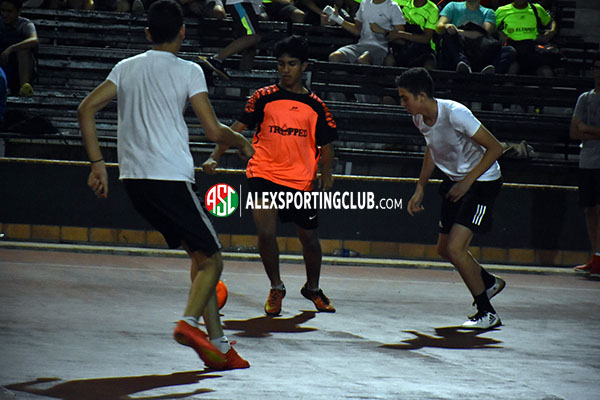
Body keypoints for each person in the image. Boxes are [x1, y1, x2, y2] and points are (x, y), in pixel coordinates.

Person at [77, 0, 253, 369]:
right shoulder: (189, 70)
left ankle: (219, 346)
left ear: (147, 34)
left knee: (200, 258)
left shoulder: (125, 67)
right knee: (214, 261)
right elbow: (212, 130)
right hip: (170, 177)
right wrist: (241, 141)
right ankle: (188, 324)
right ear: (183, 32)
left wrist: (98, 165)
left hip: (134, 181)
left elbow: (86, 109)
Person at [203, 35, 338, 316]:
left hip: (300, 181)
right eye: (281, 64)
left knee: (309, 239)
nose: (285, 69)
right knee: (265, 233)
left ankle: (312, 288)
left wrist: (326, 173)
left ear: (304, 66)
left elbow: (326, 145)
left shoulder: (316, 105)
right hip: (263, 172)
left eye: (292, 64)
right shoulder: (263, 97)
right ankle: (276, 287)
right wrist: (215, 155)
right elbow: (235, 129)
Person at [399, 67, 506, 329]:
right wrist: (420, 187)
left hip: (482, 182)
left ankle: (487, 313)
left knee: (456, 249)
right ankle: (488, 282)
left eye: (405, 98)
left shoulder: (455, 113)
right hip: (456, 181)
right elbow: (432, 148)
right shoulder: (419, 119)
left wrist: (467, 182)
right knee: (444, 249)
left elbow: (496, 148)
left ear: (421, 96)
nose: (402, 103)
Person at [570, 53, 600, 278]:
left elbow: (581, 129)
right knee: (590, 210)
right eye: (596, 67)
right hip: (587, 161)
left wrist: (587, 129)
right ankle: (595, 256)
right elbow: (574, 132)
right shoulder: (584, 98)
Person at [436, 0, 515, 74]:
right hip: (458, 49)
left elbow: (484, 33)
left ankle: (486, 75)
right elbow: (439, 27)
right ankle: (463, 65)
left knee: (509, 50)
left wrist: (458, 32)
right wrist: (447, 26)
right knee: (448, 38)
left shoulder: (488, 12)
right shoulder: (452, 6)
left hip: (479, 51)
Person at [325, 0, 406, 68]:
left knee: (363, 60)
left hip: (381, 48)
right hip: (361, 45)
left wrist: (383, 31)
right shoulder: (365, 3)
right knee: (335, 57)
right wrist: (336, 18)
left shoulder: (393, 7)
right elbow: (357, 30)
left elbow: (401, 39)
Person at [198, 0, 262, 79]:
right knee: (253, 37)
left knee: (249, 47)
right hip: (242, 3)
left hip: (249, 5)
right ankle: (216, 59)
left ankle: (243, 82)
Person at [495, 0, 558, 77]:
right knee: (512, 69)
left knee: (546, 72)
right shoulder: (502, 10)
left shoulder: (536, 9)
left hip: (533, 48)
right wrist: (500, 33)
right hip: (513, 48)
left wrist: (552, 31)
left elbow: (550, 22)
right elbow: (493, 26)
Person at [376, 0, 439, 70]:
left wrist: (400, 34)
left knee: (429, 65)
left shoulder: (433, 10)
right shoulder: (400, 2)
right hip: (400, 45)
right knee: (389, 61)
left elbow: (426, 39)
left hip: (423, 49)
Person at [0, 0, 38, 97]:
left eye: (9, 11)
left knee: (23, 51)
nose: (5, 14)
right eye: (3, 11)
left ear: (18, 12)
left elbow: (34, 40)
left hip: (18, 70)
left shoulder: (25, 24)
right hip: (3, 66)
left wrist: (11, 48)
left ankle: (24, 88)